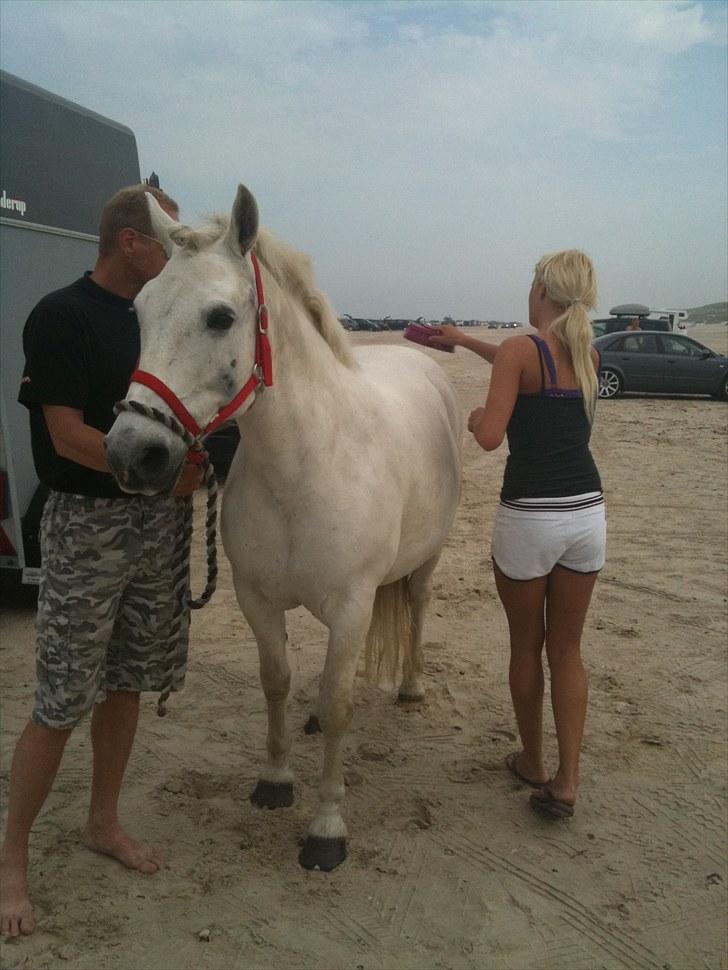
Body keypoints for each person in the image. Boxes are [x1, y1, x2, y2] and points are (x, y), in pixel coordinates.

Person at [0, 184, 201, 938]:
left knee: (126, 682)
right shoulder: (61, 315)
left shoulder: (157, 316)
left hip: (155, 527)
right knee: (60, 696)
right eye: (167, 239)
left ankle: (102, 822)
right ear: (128, 240)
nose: (175, 252)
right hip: (87, 523)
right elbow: (64, 435)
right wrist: (154, 473)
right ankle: (10, 860)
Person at [431, 250, 604, 820]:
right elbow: (517, 362)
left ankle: (532, 762)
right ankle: (569, 779)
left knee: (526, 646)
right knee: (568, 650)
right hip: (586, 515)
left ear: (543, 293)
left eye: (532, 282)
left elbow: (490, 436)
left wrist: (479, 417)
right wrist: (465, 340)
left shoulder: (520, 352)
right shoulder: (587, 351)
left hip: (530, 515)